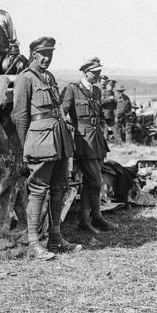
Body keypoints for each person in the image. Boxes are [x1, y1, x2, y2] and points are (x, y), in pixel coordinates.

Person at [12, 36, 79, 259]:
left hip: (59, 139)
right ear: (34, 55)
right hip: (39, 141)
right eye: (43, 54)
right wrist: (24, 148)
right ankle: (34, 243)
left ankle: (55, 238)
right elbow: (20, 116)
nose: (47, 58)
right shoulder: (25, 78)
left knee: (60, 187)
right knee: (38, 190)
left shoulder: (49, 77)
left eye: (50, 54)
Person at [61, 57, 116, 233]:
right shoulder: (72, 89)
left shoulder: (97, 91)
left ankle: (86, 221)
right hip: (83, 141)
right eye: (95, 72)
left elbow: (100, 115)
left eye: (99, 72)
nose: (99, 75)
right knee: (96, 181)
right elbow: (63, 111)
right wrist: (69, 129)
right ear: (85, 72)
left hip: (97, 139)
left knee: (89, 181)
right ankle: (96, 218)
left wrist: (102, 127)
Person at [100, 75, 117, 142]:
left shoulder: (112, 93)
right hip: (105, 113)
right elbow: (101, 102)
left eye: (113, 86)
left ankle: (111, 140)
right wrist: (109, 99)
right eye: (110, 85)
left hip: (111, 113)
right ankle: (105, 141)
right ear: (107, 85)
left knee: (111, 128)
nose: (111, 87)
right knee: (106, 128)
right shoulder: (104, 92)